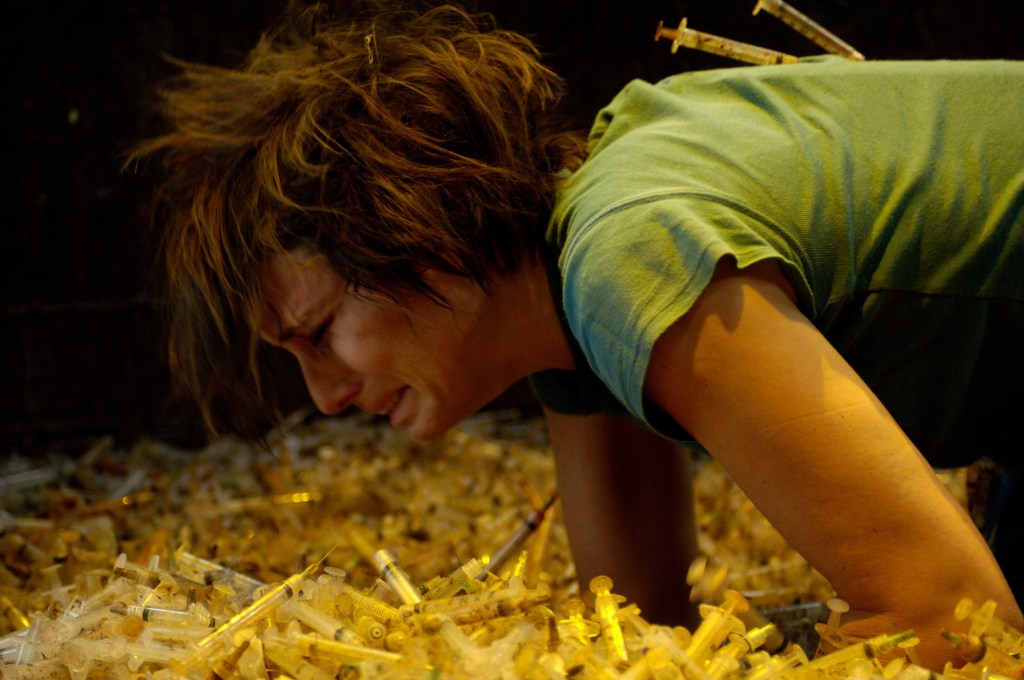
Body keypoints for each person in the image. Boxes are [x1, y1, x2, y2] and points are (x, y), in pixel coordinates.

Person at [131, 3, 1023, 668]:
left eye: (321, 332)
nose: (324, 397)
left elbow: (954, 620)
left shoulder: (625, 255)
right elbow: (640, 628)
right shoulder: (569, 307)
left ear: (422, 237)